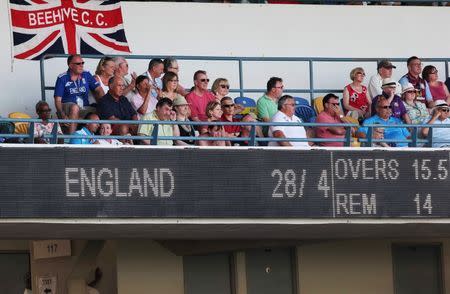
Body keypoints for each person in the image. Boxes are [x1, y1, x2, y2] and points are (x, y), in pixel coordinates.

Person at [54, 54, 104, 134]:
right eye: (78, 64)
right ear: (70, 65)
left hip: (84, 107)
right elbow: (57, 100)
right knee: (75, 107)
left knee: (101, 111)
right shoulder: (62, 77)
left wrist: (105, 104)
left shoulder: (86, 74)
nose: (81, 65)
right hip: (68, 107)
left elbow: (99, 89)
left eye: (82, 63)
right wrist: (62, 115)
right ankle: (71, 139)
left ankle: (95, 139)